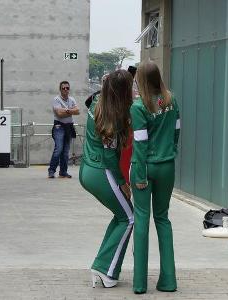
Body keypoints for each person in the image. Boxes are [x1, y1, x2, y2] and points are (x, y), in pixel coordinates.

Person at [79, 70, 134, 288]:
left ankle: (102, 265)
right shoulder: (113, 115)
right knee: (130, 219)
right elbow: (111, 157)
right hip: (103, 172)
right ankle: (105, 270)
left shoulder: (97, 102)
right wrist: (122, 182)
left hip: (88, 169)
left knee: (121, 216)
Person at [130, 61, 180, 294]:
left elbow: (139, 144)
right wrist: (171, 152)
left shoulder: (139, 106)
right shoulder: (171, 100)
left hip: (146, 167)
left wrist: (139, 174)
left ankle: (140, 284)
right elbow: (176, 131)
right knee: (163, 219)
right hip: (167, 166)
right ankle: (168, 281)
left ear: (140, 79)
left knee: (142, 220)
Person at [48, 81, 80, 178]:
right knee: (59, 149)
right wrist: (71, 111)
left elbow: (78, 111)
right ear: (60, 89)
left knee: (66, 151)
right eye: (63, 88)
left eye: (67, 88)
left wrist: (65, 110)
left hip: (69, 126)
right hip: (59, 127)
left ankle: (63, 172)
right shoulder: (56, 99)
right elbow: (59, 114)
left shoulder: (72, 99)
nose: (66, 89)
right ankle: (51, 170)